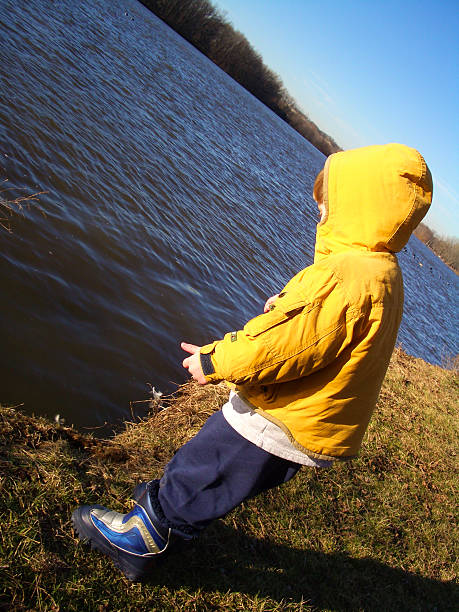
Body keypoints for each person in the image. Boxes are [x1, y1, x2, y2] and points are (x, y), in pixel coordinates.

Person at [72, 143, 433, 581]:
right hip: (314, 421)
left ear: (361, 208)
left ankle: (140, 541)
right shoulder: (382, 271)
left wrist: (215, 359)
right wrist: (289, 303)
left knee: (203, 468)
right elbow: (331, 328)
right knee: (224, 481)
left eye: (328, 207)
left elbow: (285, 347)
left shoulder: (348, 275)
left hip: (280, 416)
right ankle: (175, 530)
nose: (320, 215)